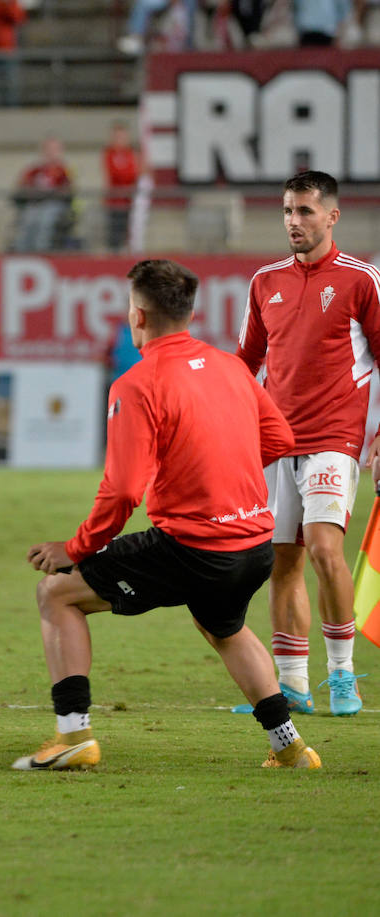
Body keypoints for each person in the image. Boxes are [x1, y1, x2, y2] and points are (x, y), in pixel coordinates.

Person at [20, 259, 319, 771]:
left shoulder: (137, 384)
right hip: (253, 545)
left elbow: (122, 492)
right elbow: (280, 438)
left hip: (193, 548)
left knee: (57, 593)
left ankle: (73, 735)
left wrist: (73, 549)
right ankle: (290, 747)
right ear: (189, 312)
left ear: (137, 315)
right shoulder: (231, 367)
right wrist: (217, 474)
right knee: (223, 627)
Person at [235, 170, 380, 717]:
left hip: (334, 437)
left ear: (332, 216)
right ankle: (292, 681)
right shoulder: (264, 281)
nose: (293, 221)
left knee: (323, 548)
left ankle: (342, 673)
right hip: (277, 439)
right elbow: (247, 362)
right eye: (287, 211)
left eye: (305, 211)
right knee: (282, 559)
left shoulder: (361, 280)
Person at [11, 136, 74, 253]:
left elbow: (69, 190)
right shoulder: (34, 170)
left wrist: (50, 194)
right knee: (28, 218)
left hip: (54, 205)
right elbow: (22, 187)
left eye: (54, 149)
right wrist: (36, 194)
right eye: (48, 149)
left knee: (46, 219)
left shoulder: (64, 170)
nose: (51, 152)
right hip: (35, 204)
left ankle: (41, 250)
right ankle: (22, 250)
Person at [103, 121, 140, 252]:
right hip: (115, 202)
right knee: (115, 235)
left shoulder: (131, 153)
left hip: (129, 201)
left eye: (122, 137)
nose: (120, 140)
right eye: (117, 137)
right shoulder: (109, 153)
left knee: (129, 234)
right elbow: (116, 174)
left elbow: (135, 173)